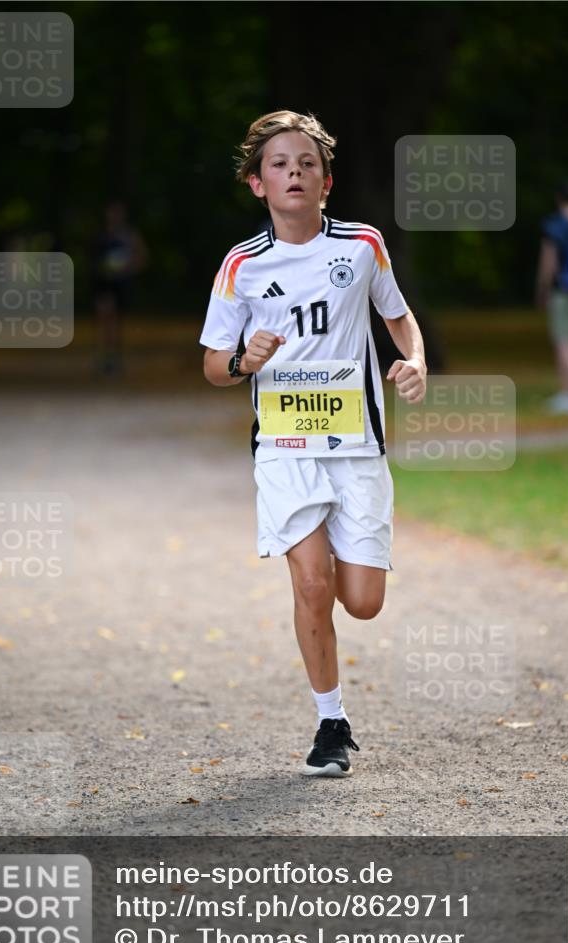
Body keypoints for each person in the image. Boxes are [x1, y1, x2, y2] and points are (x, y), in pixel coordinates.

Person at [199, 110, 426, 777]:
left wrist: (414, 359)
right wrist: (244, 358)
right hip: (284, 445)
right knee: (310, 582)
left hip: (356, 444)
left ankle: (337, 586)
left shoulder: (362, 246)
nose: (293, 173)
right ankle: (331, 723)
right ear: (256, 183)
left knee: (363, 602)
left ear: (326, 182)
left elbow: (398, 316)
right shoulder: (240, 264)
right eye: (279, 165)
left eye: (306, 164)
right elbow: (213, 365)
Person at [535, 181, 568, 414]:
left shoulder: (554, 226)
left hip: (563, 291)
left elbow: (549, 261)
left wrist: (543, 289)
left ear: (560, 199)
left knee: (565, 342)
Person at [90, 200, 149, 375]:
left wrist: (128, 267)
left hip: (120, 284)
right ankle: (104, 356)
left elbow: (142, 258)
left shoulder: (130, 235)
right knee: (104, 318)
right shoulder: (101, 235)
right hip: (103, 284)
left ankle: (114, 357)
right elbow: (93, 260)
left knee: (115, 321)